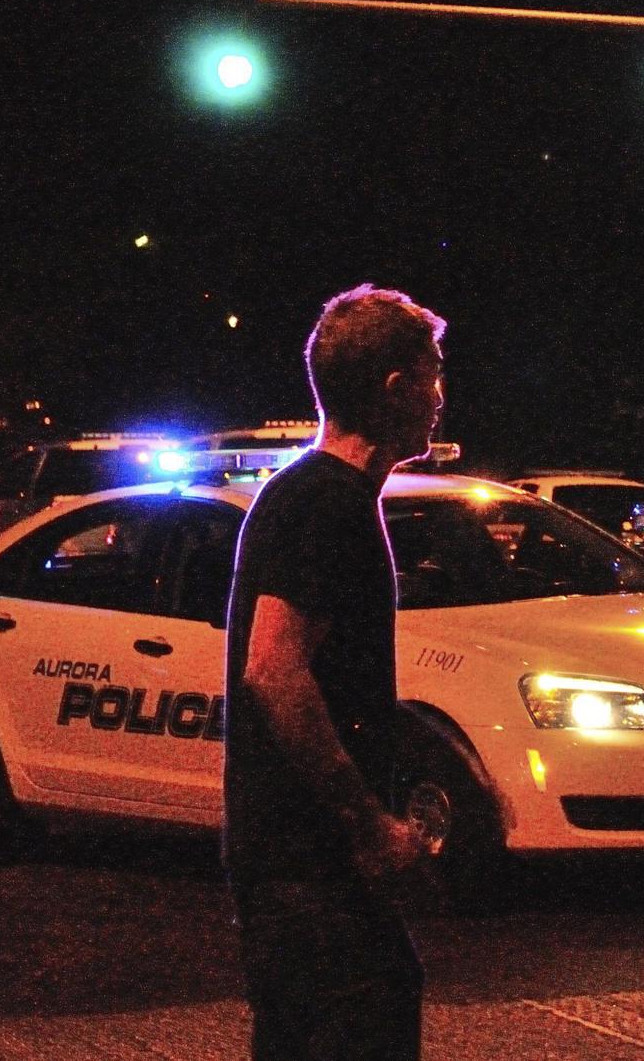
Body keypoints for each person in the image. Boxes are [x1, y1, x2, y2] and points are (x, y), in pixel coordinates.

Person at [223, 284, 445, 1060]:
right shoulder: (324, 504)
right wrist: (369, 826)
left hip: (296, 871)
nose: (441, 395)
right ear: (395, 387)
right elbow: (274, 670)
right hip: (307, 870)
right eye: (433, 373)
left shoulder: (314, 498)